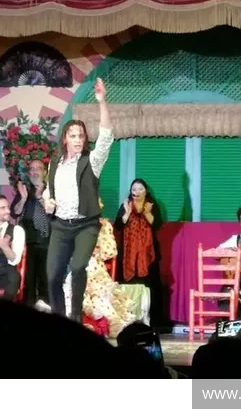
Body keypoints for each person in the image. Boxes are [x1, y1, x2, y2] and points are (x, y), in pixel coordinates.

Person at [43, 77, 113, 323]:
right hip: (61, 225)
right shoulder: (55, 163)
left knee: (77, 268)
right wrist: (47, 201)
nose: (77, 139)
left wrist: (102, 102)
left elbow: (106, 136)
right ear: (65, 139)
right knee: (52, 275)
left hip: (86, 225)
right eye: (72, 135)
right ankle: (59, 319)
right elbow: (48, 191)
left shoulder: (92, 161)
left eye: (81, 136)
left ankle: (75, 318)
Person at [64, 199, 136, 338]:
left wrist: (96, 243)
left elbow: (110, 252)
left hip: (96, 265)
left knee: (94, 286)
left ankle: (102, 322)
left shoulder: (105, 225)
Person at [114, 178, 164, 327]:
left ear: (146, 191)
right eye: (134, 189)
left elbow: (157, 225)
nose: (137, 192)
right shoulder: (126, 205)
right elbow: (118, 225)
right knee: (128, 286)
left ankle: (150, 322)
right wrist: (127, 213)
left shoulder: (151, 205)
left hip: (148, 253)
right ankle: (128, 320)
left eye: (140, 189)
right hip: (128, 253)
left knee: (149, 286)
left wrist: (147, 213)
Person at [10, 159, 51, 311]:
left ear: (45, 172)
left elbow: (54, 212)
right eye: (31, 169)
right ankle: (28, 308)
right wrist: (23, 199)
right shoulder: (25, 190)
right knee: (28, 277)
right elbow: (15, 212)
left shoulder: (51, 190)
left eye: (38, 169)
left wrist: (40, 196)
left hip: (47, 239)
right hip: (27, 240)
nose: (34, 172)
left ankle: (46, 307)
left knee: (45, 277)